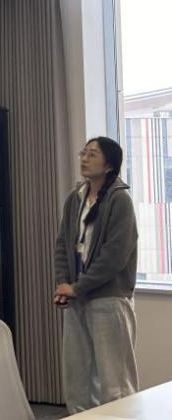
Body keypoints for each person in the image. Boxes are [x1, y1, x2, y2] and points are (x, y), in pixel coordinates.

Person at [53, 136, 138, 413]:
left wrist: (78, 287)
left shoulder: (119, 200)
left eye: (92, 154)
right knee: (77, 381)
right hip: (76, 299)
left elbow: (115, 256)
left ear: (109, 164)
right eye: (83, 153)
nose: (84, 159)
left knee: (115, 385)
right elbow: (63, 245)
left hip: (108, 300)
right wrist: (63, 283)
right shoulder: (75, 199)